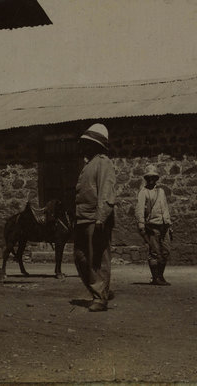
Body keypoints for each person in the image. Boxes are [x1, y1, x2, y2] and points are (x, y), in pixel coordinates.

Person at [73, 123, 116, 312]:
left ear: (97, 145)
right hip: (82, 218)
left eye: (89, 143)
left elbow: (106, 192)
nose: (85, 146)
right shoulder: (88, 164)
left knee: (98, 257)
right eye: (84, 143)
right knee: (80, 257)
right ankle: (97, 291)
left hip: (95, 219)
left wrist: (101, 218)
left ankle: (100, 298)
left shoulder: (103, 162)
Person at [135, 165, 173, 285]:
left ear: (156, 178)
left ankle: (160, 276)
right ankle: (155, 277)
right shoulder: (143, 192)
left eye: (153, 178)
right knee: (155, 253)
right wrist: (141, 226)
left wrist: (169, 224)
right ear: (146, 179)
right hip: (152, 226)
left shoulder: (161, 191)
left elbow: (165, 208)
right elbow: (139, 210)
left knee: (166, 251)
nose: (151, 180)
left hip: (164, 225)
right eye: (149, 178)